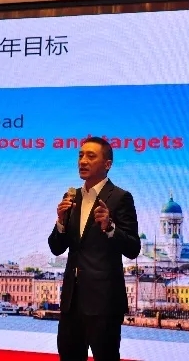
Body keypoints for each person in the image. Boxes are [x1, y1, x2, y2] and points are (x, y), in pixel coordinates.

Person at [48, 136, 141, 361]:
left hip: (104, 303)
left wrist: (110, 227)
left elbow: (133, 248)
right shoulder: (71, 197)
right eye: (80, 155)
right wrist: (60, 222)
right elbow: (56, 248)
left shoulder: (120, 198)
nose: (83, 161)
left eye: (91, 156)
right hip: (71, 302)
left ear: (107, 164)